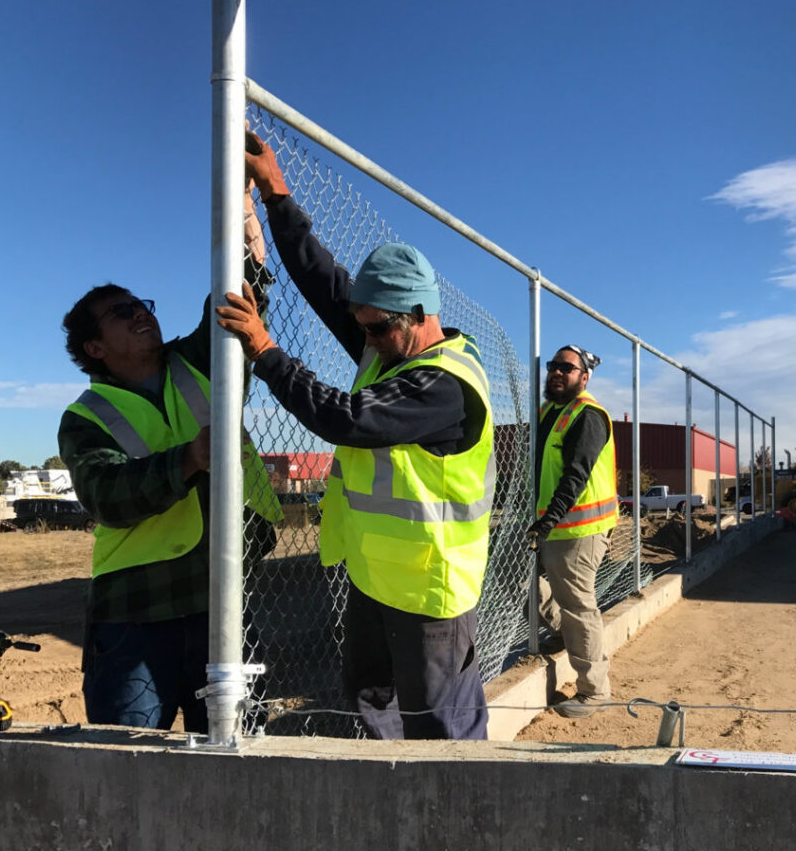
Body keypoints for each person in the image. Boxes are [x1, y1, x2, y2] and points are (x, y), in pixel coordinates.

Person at [215, 131, 495, 741]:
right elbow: (323, 282)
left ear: (421, 315)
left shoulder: (440, 385)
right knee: (371, 700)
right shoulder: (385, 342)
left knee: (439, 726)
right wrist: (275, 192)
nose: (360, 338)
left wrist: (266, 351)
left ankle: (451, 822)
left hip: (428, 588)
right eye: (361, 325)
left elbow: (347, 419)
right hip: (375, 577)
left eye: (375, 329)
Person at [58, 189, 282, 733]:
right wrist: (189, 459)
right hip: (137, 610)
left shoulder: (201, 358)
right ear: (94, 347)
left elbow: (237, 294)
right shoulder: (86, 417)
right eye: (121, 312)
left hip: (221, 597)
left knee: (234, 751)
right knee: (129, 758)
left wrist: (248, 218)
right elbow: (108, 496)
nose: (140, 313)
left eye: (141, 305)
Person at [527, 345, 617, 719]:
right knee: (521, 581)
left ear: (585, 376)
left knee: (579, 606)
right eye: (553, 366)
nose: (557, 372)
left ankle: (594, 690)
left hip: (580, 528)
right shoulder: (550, 411)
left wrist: (549, 519)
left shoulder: (588, 415)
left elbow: (575, 475)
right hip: (553, 523)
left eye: (567, 367)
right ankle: (565, 632)